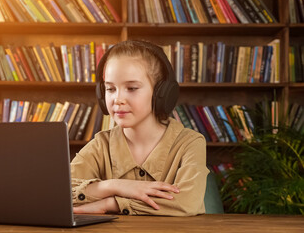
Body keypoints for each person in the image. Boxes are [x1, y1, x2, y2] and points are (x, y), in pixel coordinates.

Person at [70, 40, 209, 216]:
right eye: (110, 89)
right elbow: (59, 192)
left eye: (132, 88)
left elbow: (187, 203)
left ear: (161, 93)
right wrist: (116, 185)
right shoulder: (101, 144)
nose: (117, 99)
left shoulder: (189, 142)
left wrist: (111, 203)